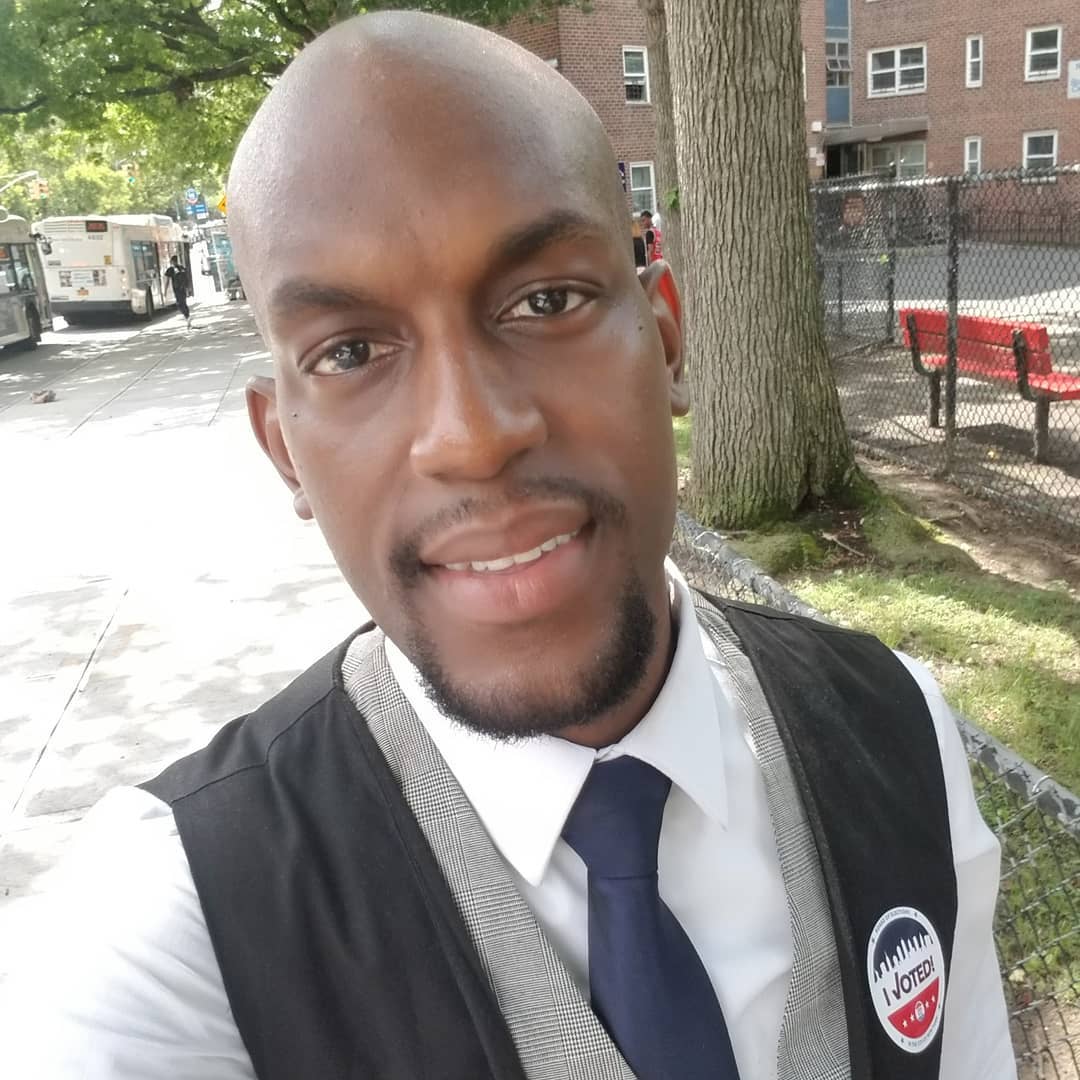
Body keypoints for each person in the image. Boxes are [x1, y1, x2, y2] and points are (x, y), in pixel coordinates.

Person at [2, 12, 1016, 1080]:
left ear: (666, 337)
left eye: (545, 300)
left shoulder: (895, 729)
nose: (474, 436)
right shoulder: (181, 925)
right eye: (350, 351)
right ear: (284, 453)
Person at [164, 255, 191, 324]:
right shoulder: (182, 268)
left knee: (179, 304)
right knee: (184, 303)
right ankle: (187, 316)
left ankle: (187, 317)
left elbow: (167, 281)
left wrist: (165, 290)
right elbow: (186, 278)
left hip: (177, 289)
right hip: (183, 289)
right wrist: (188, 288)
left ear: (172, 261)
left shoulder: (170, 269)